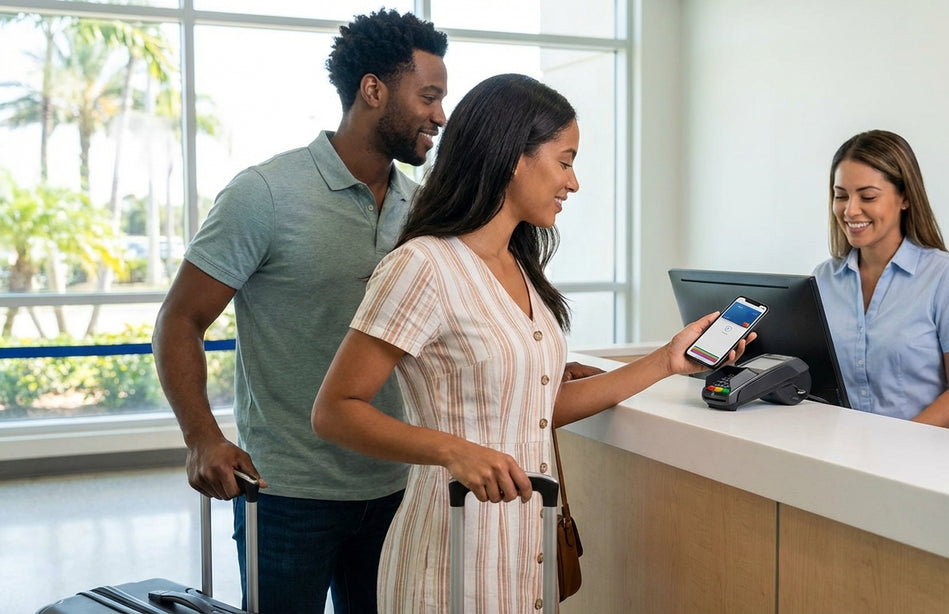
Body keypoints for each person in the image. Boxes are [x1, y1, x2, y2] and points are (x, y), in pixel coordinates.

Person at [310, 73, 754, 613]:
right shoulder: (422, 266)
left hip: (527, 557)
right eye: (565, 161)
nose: (573, 183)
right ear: (513, 156)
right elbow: (335, 411)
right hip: (449, 562)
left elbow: (534, 412)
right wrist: (454, 450)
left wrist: (665, 360)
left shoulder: (520, 267)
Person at [151, 10, 449, 614]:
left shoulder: (421, 209)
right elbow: (179, 320)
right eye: (429, 96)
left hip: (397, 487)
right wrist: (201, 438)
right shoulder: (264, 194)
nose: (440, 116)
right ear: (373, 90)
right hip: (286, 493)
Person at [812, 129, 949, 430]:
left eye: (867, 196)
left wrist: (900, 445)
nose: (850, 210)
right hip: (849, 453)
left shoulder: (948, 276)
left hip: (929, 456)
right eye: (841, 195)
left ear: (905, 197)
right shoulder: (823, 278)